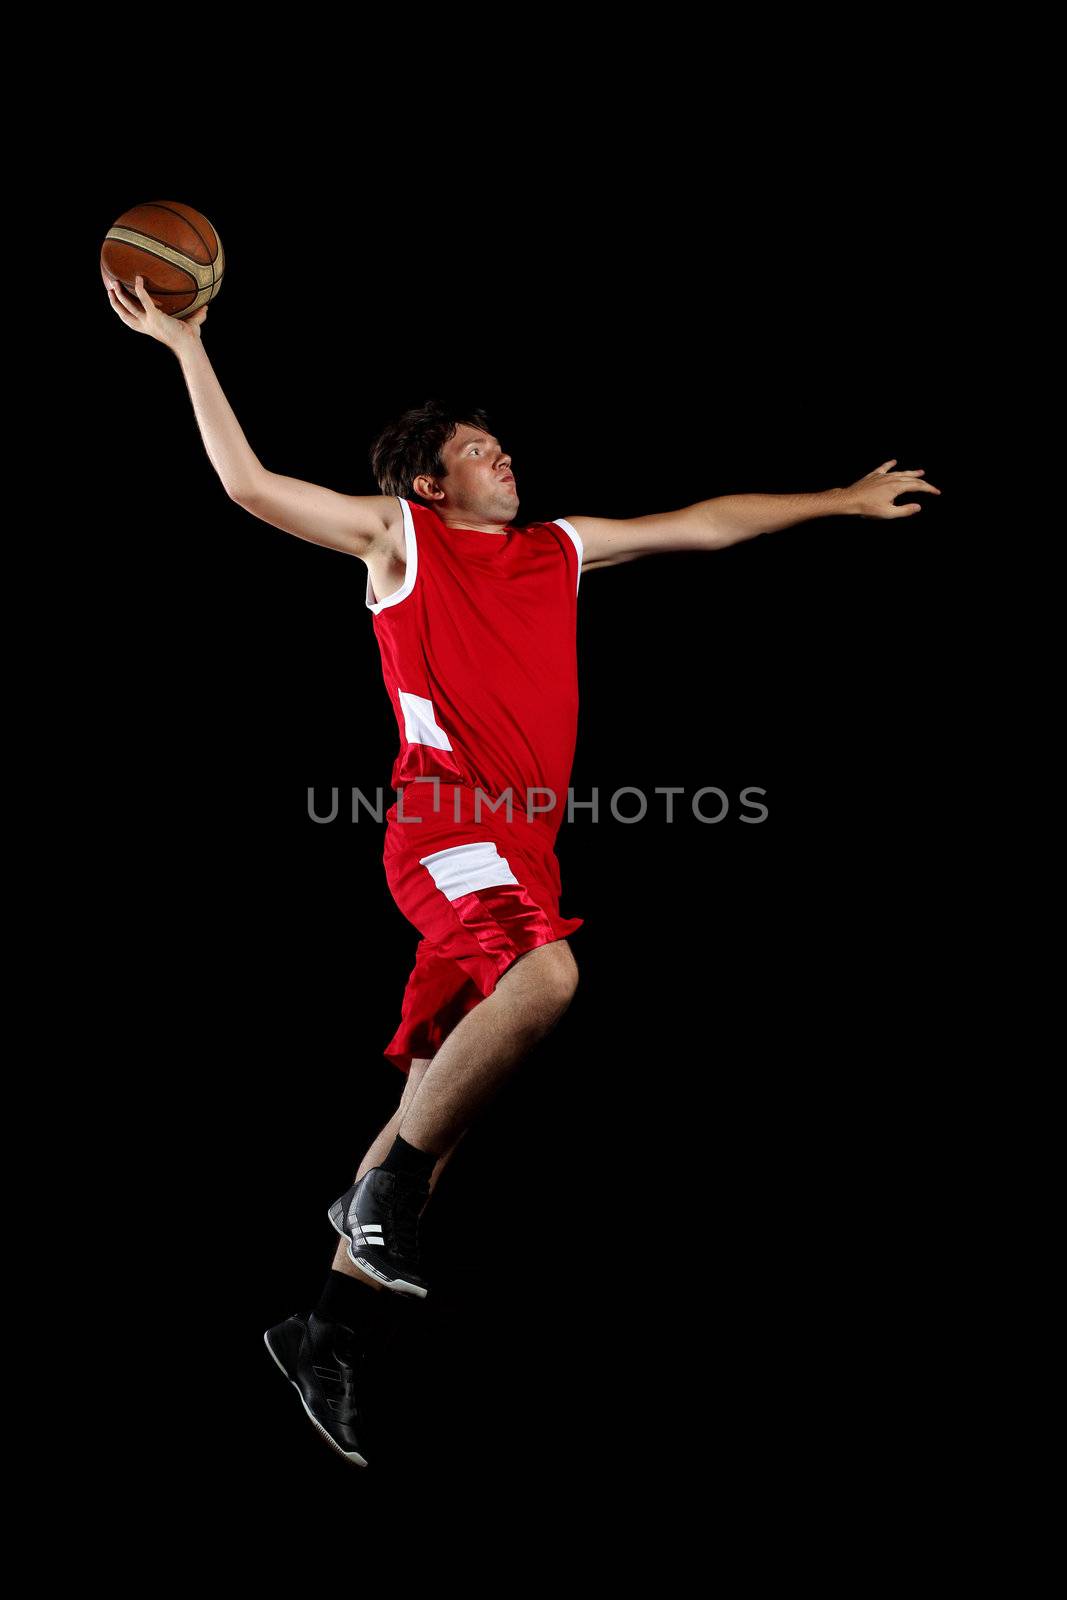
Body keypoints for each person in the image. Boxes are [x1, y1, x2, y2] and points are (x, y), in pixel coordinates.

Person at [105, 270, 942, 1468]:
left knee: (439, 1105)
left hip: (519, 853)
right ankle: (369, 1198)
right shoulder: (399, 538)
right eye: (479, 450)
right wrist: (187, 344)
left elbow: (700, 521)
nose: (505, 460)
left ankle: (324, 1327)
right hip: (443, 831)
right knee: (545, 988)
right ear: (427, 479)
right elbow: (245, 484)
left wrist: (842, 500)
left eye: (503, 445)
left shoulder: (554, 548)